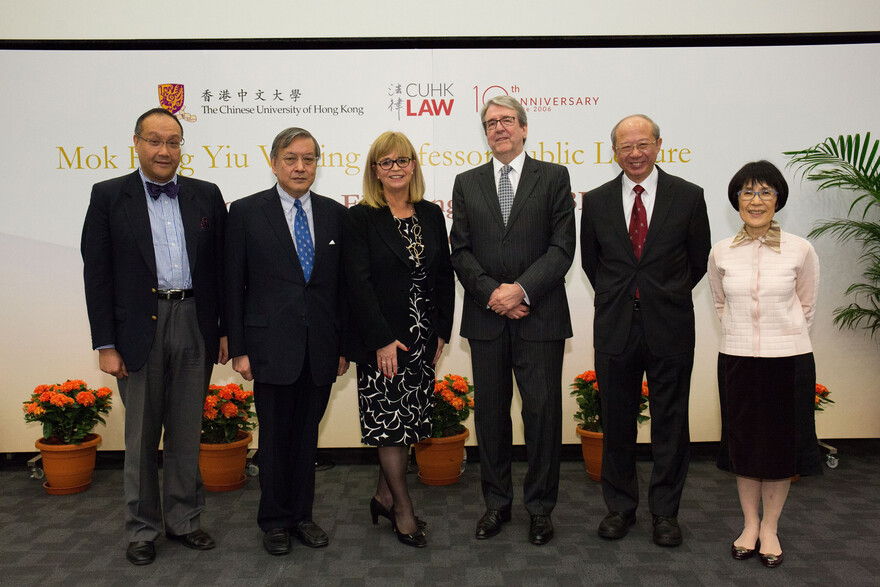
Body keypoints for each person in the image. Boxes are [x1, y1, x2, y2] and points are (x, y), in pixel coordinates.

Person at [81, 107, 228, 565]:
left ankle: (184, 520)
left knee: (187, 429)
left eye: (173, 141)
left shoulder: (206, 195)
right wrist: (105, 343)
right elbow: (97, 274)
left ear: (182, 146)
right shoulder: (108, 196)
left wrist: (223, 331)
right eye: (155, 140)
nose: (164, 150)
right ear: (137, 143)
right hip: (137, 328)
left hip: (194, 322)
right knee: (142, 435)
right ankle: (142, 528)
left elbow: (221, 270)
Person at [450, 95, 575, 545]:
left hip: (539, 317)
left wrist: (520, 291)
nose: (498, 128)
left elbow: (562, 248)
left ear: (524, 128)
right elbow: (459, 250)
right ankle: (496, 504)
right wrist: (493, 295)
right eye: (490, 123)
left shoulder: (554, 177)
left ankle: (540, 509)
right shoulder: (467, 183)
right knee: (492, 417)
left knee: (542, 415)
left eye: (506, 121)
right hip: (487, 321)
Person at [580, 114, 711, 547]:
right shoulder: (596, 201)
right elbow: (591, 263)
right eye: (625, 147)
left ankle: (665, 513)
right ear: (613, 152)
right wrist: (626, 296)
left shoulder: (688, 197)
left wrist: (659, 295)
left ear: (658, 145)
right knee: (616, 422)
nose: (634, 154)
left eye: (642, 145)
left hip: (670, 325)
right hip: (615, 327)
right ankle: (620, 507)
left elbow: (697, 262)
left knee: (670, 423)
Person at [225, 127, 349, 556]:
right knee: (275, 438)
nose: (300, 167)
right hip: (268, 347)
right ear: (274, 162)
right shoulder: (244, 212)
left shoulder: (336, 214)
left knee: (306, 438)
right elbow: (233, 284)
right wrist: (239, 348)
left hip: (320, 348)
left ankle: (302, 516)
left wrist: (343, 347)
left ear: (318, 163)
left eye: (309, 159)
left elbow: (341, 289)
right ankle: (274, 520)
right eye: (291, 158)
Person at [343, 131, 455, 548]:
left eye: (402, 161)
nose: (395, 168)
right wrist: (381, 339)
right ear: (375, 170)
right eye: (385, 162)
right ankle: (402, 509)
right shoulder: (360, 218)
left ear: (413, 166)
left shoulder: (429, 213)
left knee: (408, 424)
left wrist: (441, 330)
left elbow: (444, 276)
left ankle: (383, 495)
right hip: (385, 342)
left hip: (423, 337)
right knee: (390, 424)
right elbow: (358, 283)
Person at [708, 160, 822, 568]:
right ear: (736, 200)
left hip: (787, 360)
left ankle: (770, 527)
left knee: (778, 448)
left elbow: (806, 305)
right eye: (747, 193)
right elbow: (721, 303)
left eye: (765, 193)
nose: (755, 201)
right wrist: (744, 335)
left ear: (778, 199)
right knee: (744, 445)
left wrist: (779, 336)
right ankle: (749, 524)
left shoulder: (800, 248)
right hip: (737, 360)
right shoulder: (721, 251)